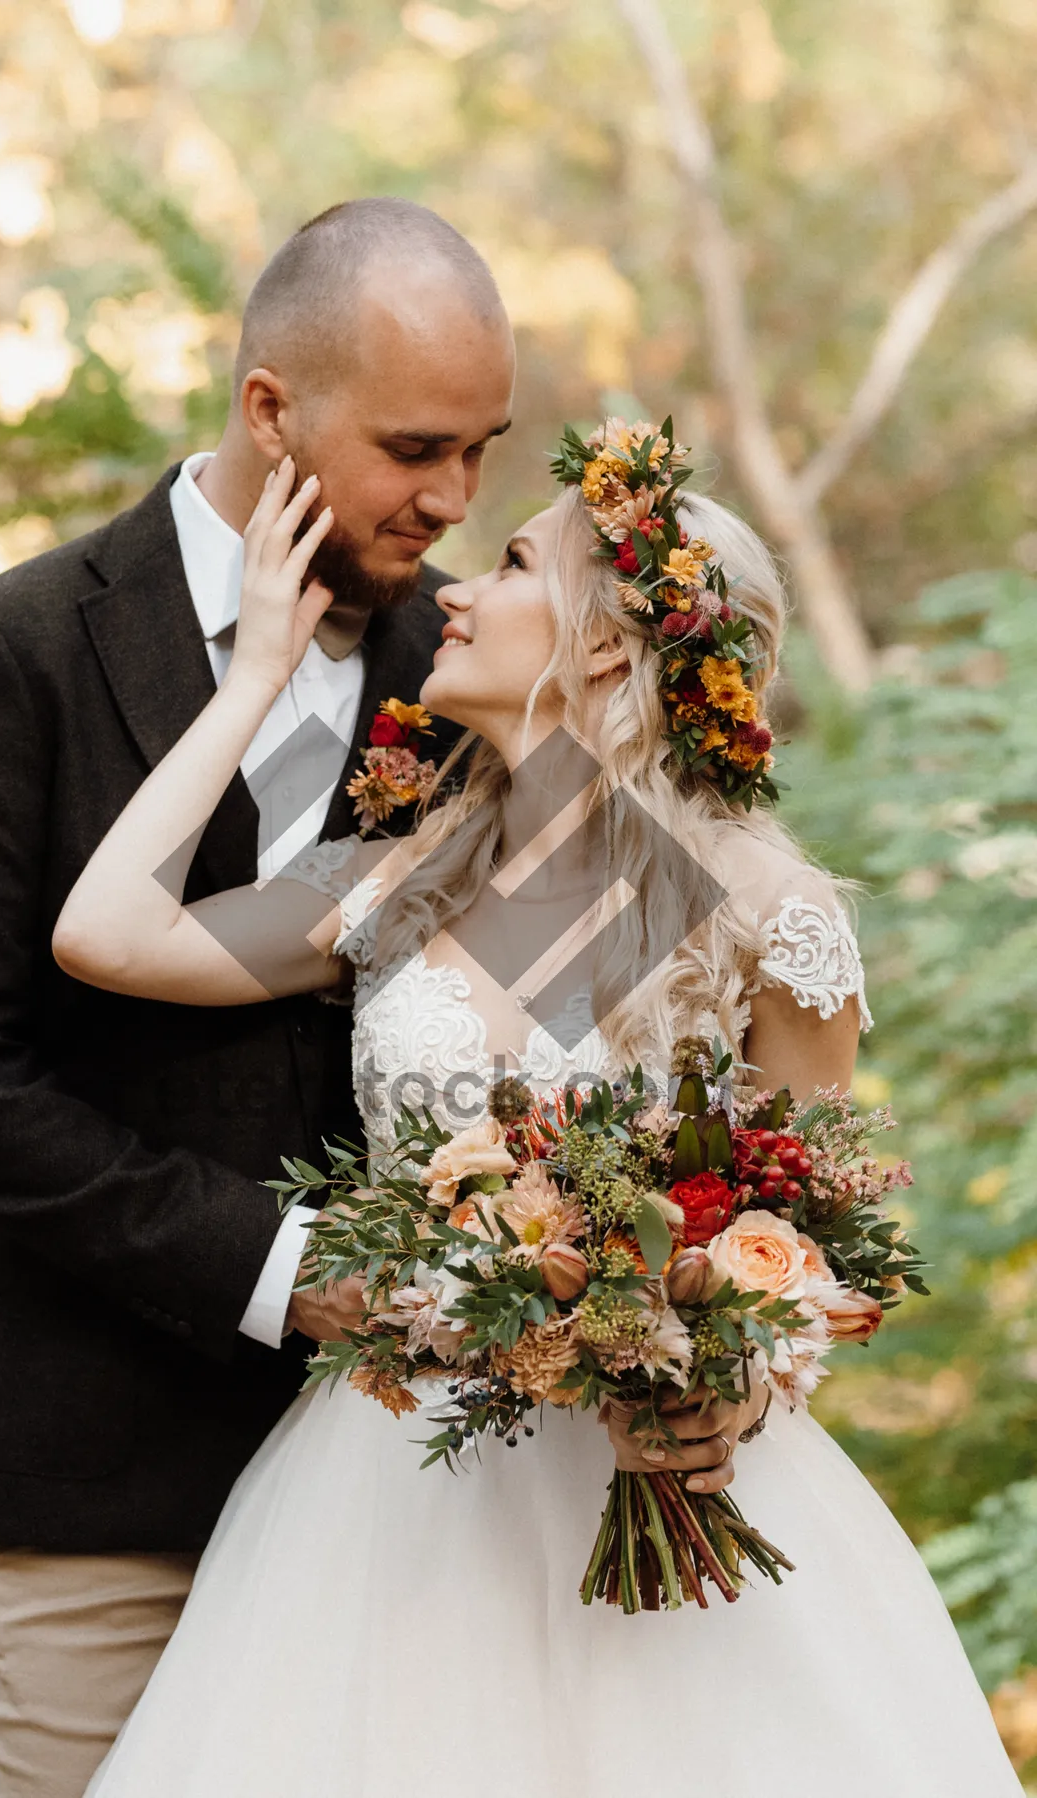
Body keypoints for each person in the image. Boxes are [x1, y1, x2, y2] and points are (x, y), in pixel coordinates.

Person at [53, 428, 1023, 1796]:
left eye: (511, 561)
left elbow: (817, 1240)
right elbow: (106, 931)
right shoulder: (402, 877)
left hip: (664, 1513)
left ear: (614, 643)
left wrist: (724, 1386)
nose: (455, 589)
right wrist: (253, 676)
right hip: (387, 1499)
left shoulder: (762, 910)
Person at [0, 197, 518, 1798]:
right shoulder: (5, 652)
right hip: (110, 1487)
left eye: (481, 451)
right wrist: (279, 1267)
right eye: (415, 447)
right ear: (269, 405)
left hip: (419, 1500)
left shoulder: (477, 663)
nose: (450, 499)